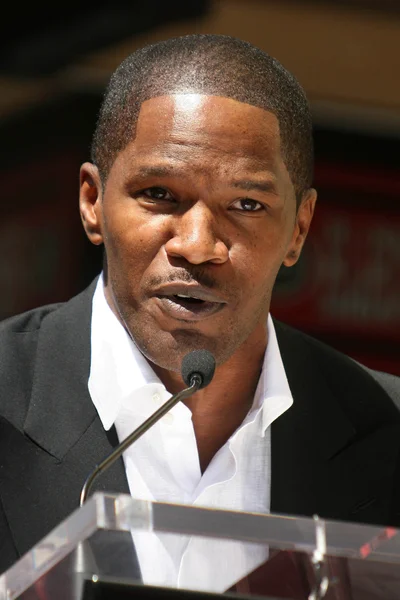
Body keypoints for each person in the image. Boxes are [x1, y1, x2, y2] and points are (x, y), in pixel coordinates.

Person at [1, 34, 400, 587]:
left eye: (246, 205)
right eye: (159, 194)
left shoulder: (387, 430)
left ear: (299, 229)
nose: (197, 243)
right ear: (93, 202)